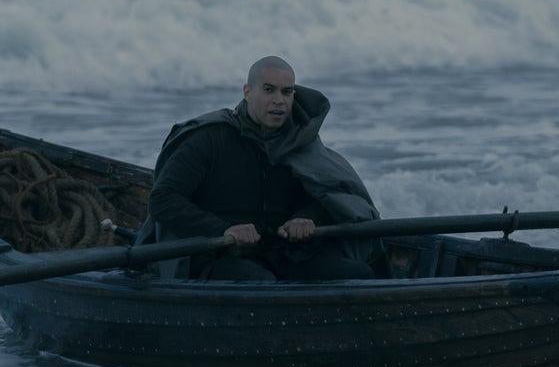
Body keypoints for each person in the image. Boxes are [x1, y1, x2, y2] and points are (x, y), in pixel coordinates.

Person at [135, 56, 382, 281]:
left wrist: (306, 218)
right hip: (218, 255)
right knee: (261, 284)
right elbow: (163, 200)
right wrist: (223, 229)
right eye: (269, 90)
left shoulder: (299, 142)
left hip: (283, 253)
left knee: (358, 274)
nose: (279, 100)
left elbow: (327, 197)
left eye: (287, 92)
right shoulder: (208, 138)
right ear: (247, 92)